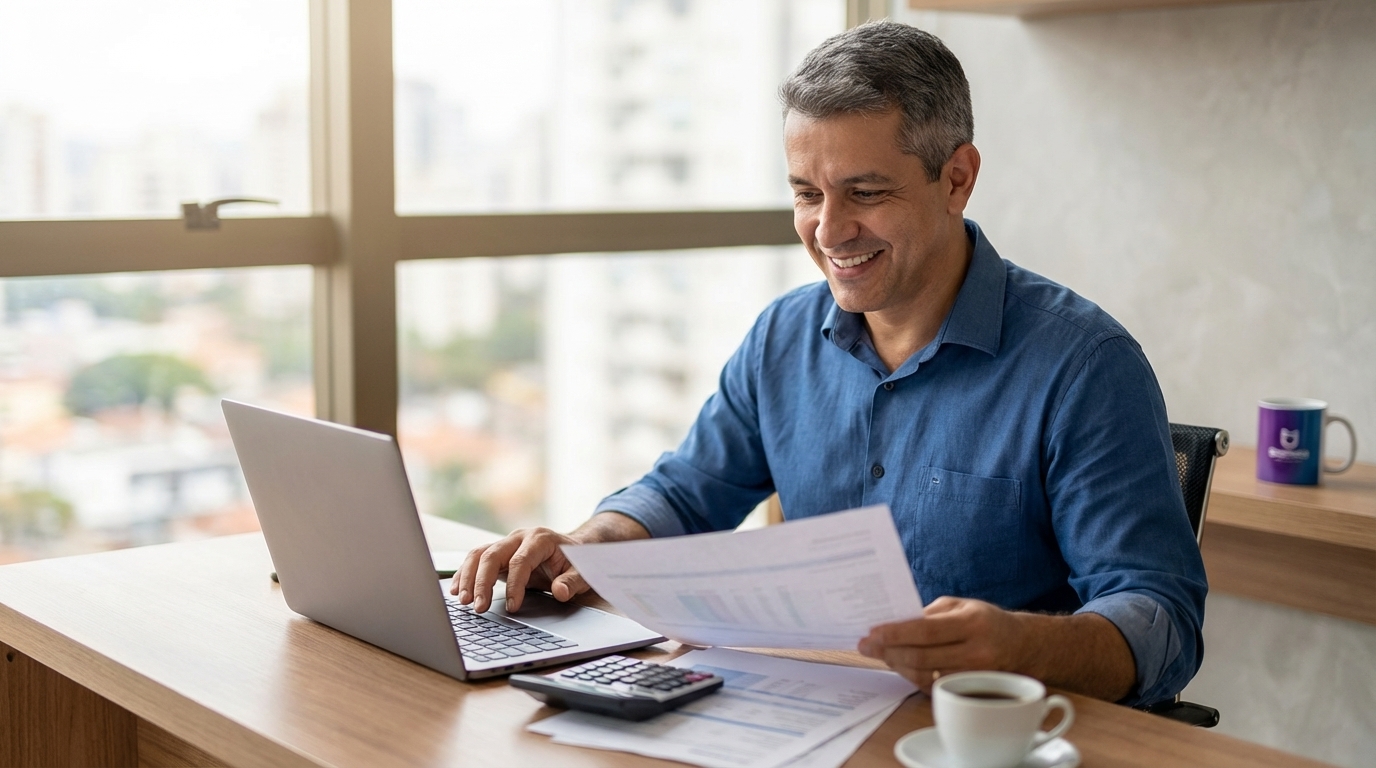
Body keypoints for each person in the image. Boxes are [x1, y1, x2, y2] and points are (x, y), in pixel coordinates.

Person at [451, 21, 1206, 707]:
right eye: (806, 193)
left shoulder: (1085, 366)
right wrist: (592, 544)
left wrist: (1019, 645)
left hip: (989, 737)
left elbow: (1160, 620)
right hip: (805, 715)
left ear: (957, 178)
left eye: (865, 193)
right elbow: (684, 493)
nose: (829, 229)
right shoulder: (782, 337)